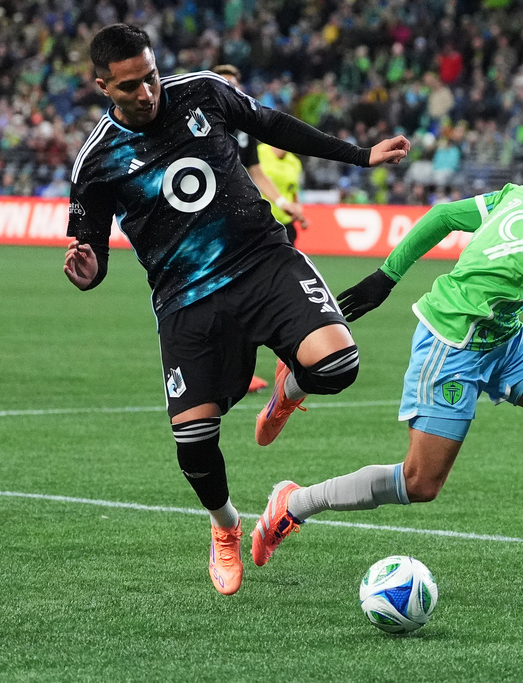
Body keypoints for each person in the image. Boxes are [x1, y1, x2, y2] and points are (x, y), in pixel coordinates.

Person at [63, 24, 410, 597]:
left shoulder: (202, 92)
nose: (146, 92)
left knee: (338, 366)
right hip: (186, 300)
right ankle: (226, 527)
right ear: (102, 86)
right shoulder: (95, 162)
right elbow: (90, 255)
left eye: (149, 76)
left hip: (261, 260)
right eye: (129, 87)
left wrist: (357, 155)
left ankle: (284, 394)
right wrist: (85, 271)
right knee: (195, 444)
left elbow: (270, 125)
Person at [250, 159, 523, 593]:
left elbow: (442, 216)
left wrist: (385, 277)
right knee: (420, 483)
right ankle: (293, 502)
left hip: (502, 337)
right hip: (452, 342)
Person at [211, 64, 306, 392]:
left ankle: (264, 363)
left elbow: (256, 173)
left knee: (259, 292)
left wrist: (284, 203)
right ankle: (229, 367)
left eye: (235, 85)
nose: (231, 90)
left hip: (253, 223)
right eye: (224, 84)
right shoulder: (191, 126)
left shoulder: (244, 130)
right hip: (212, 225)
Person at [257, 142, 307, 245]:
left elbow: (293, 191)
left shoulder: (295, 162)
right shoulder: (258, 152)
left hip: (284, 224)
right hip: (260, 222)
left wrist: (299, 213)